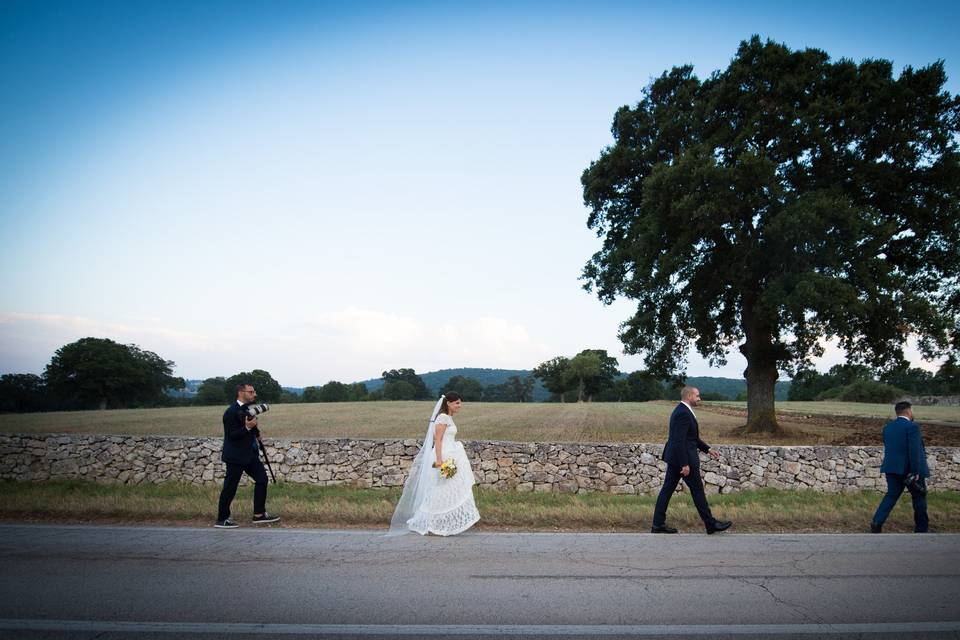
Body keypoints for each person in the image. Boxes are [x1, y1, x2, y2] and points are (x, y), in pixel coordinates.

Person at [387, 392, 480, 536]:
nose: (459, 406)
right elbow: (438, 439)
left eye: (460, 403)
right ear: (448, 403)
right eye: (457, 403)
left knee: (447, 489)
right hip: (442, 456)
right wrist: (439, 460)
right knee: (438, 489)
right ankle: (431, 521)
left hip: (450, 455)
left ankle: (443, 522)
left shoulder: (448, 418)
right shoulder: (443, 417)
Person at [651, 386, 732, 534]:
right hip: (683, 459)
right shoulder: (683, 413)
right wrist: (684, 464)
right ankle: (710, 524)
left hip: (676, 458)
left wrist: (707, 449)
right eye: (697, 396)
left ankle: (658, 524)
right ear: (689, 395)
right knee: (697, 490)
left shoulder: (683, 410)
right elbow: (678, 441)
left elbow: (691, 438)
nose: (699, 399)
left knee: (667, 490)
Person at [215, 383, 280, 528]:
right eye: (251, 392)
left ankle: (259, 514)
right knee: (230, 487)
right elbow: (232, 435)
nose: (254, 394)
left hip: (249, 454)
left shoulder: (246, 409)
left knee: (262, 478)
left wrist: (256, 434)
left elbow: (252, 425)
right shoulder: (230, 412)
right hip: (235, 456)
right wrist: (247, 428)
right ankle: (222, 519)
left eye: (254, 391)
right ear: (241, 392)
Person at [870, 400, 929, 533]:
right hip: (909, 470)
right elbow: (914, 450)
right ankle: (921, 528)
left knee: (891, 495)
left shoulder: (887, 428)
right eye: (912, 410)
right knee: (919, 496)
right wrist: (915, 471)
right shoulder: (912, 427)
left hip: (891, 468)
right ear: (908, 411)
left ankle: (876, 522)